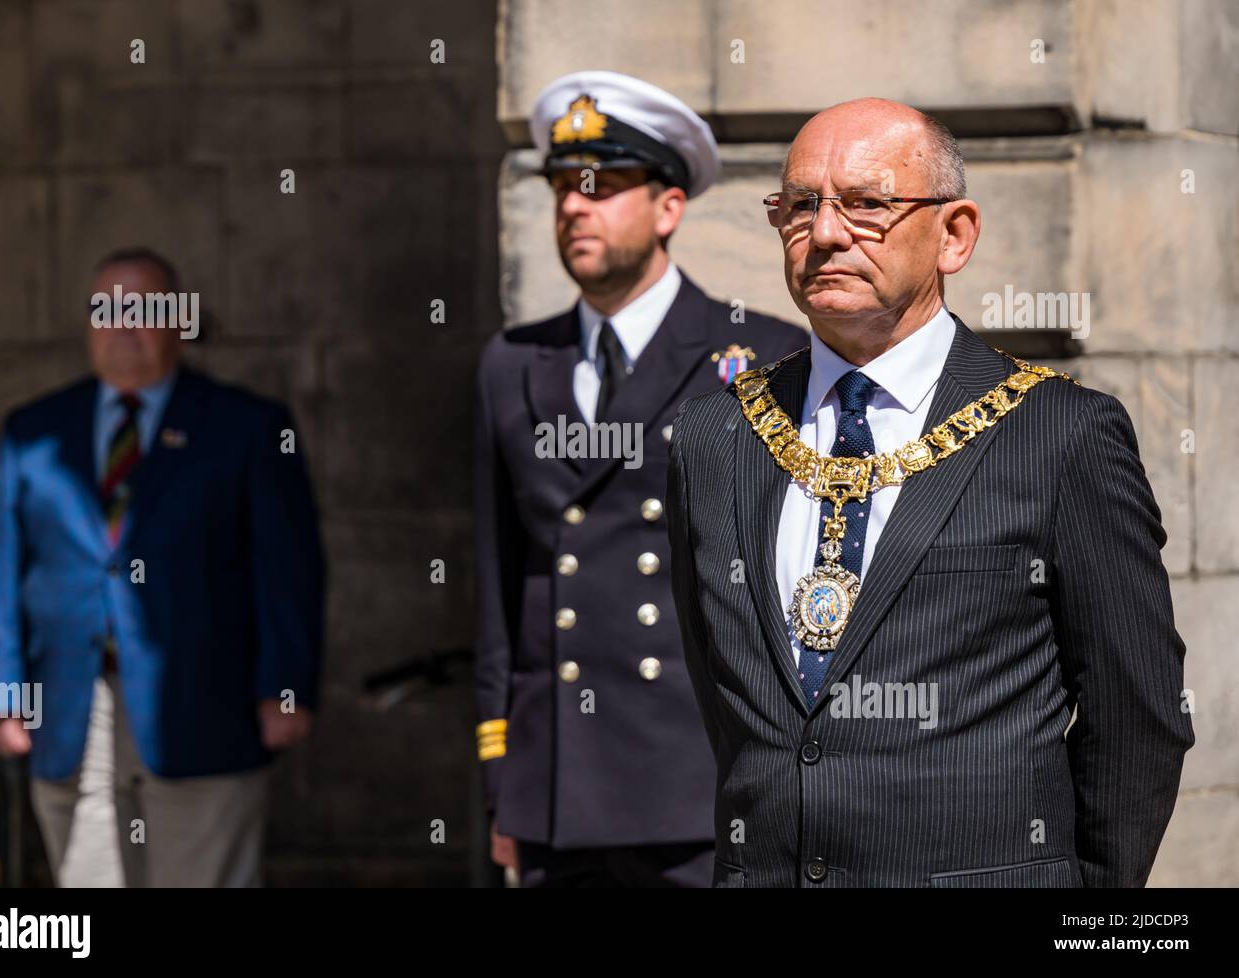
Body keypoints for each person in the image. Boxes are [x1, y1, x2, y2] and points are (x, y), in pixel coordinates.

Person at [666, 98, 1193, 888]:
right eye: (800, 206)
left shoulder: (1060, 434)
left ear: (955, 235)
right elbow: (727, 703)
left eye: (869, 204)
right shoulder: (715, 437)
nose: (828, 233)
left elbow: (1137, 716)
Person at [473, 71, 805, 886]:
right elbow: (498, 585)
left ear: (668, 208)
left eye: (604, 186)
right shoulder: (513, 362)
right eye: (562, 188)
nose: (575, 207)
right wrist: (499, 778)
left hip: (696, 780)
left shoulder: (757, 355)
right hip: (556, 784)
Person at [0, 247, 324, 887]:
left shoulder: (247, 427)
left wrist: (287, 684)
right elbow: (0, 573)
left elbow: (288, 569)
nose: (124, 324)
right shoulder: (32, 430)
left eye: (145, 309)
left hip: (203, 705)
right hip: (74, 705)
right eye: (107, 309)